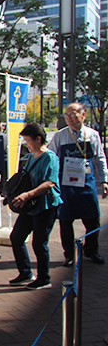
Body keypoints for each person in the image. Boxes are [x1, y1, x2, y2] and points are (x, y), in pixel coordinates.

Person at [48, 102, 108, 266]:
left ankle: (91, 251)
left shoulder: (93, 135)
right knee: (66, 221)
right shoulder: (60, 136)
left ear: (83, 114)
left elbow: (100, 158)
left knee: (93, 219)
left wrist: (104, 180)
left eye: (74, 114)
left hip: (87, 183)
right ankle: (69, 255)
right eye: (67, 115)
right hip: (66, 185)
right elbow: (51, 158)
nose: (70, 118)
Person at [9, 123, 62, 290]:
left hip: (46, 205)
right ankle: (25, 272)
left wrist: (28, 194)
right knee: (16, 237)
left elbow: (50, 183)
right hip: (30, 205)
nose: (26, 144)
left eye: (27, 140)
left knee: (39, 243)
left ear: (38, 139)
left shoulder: (50, 157)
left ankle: (44, 278)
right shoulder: (32, 156)